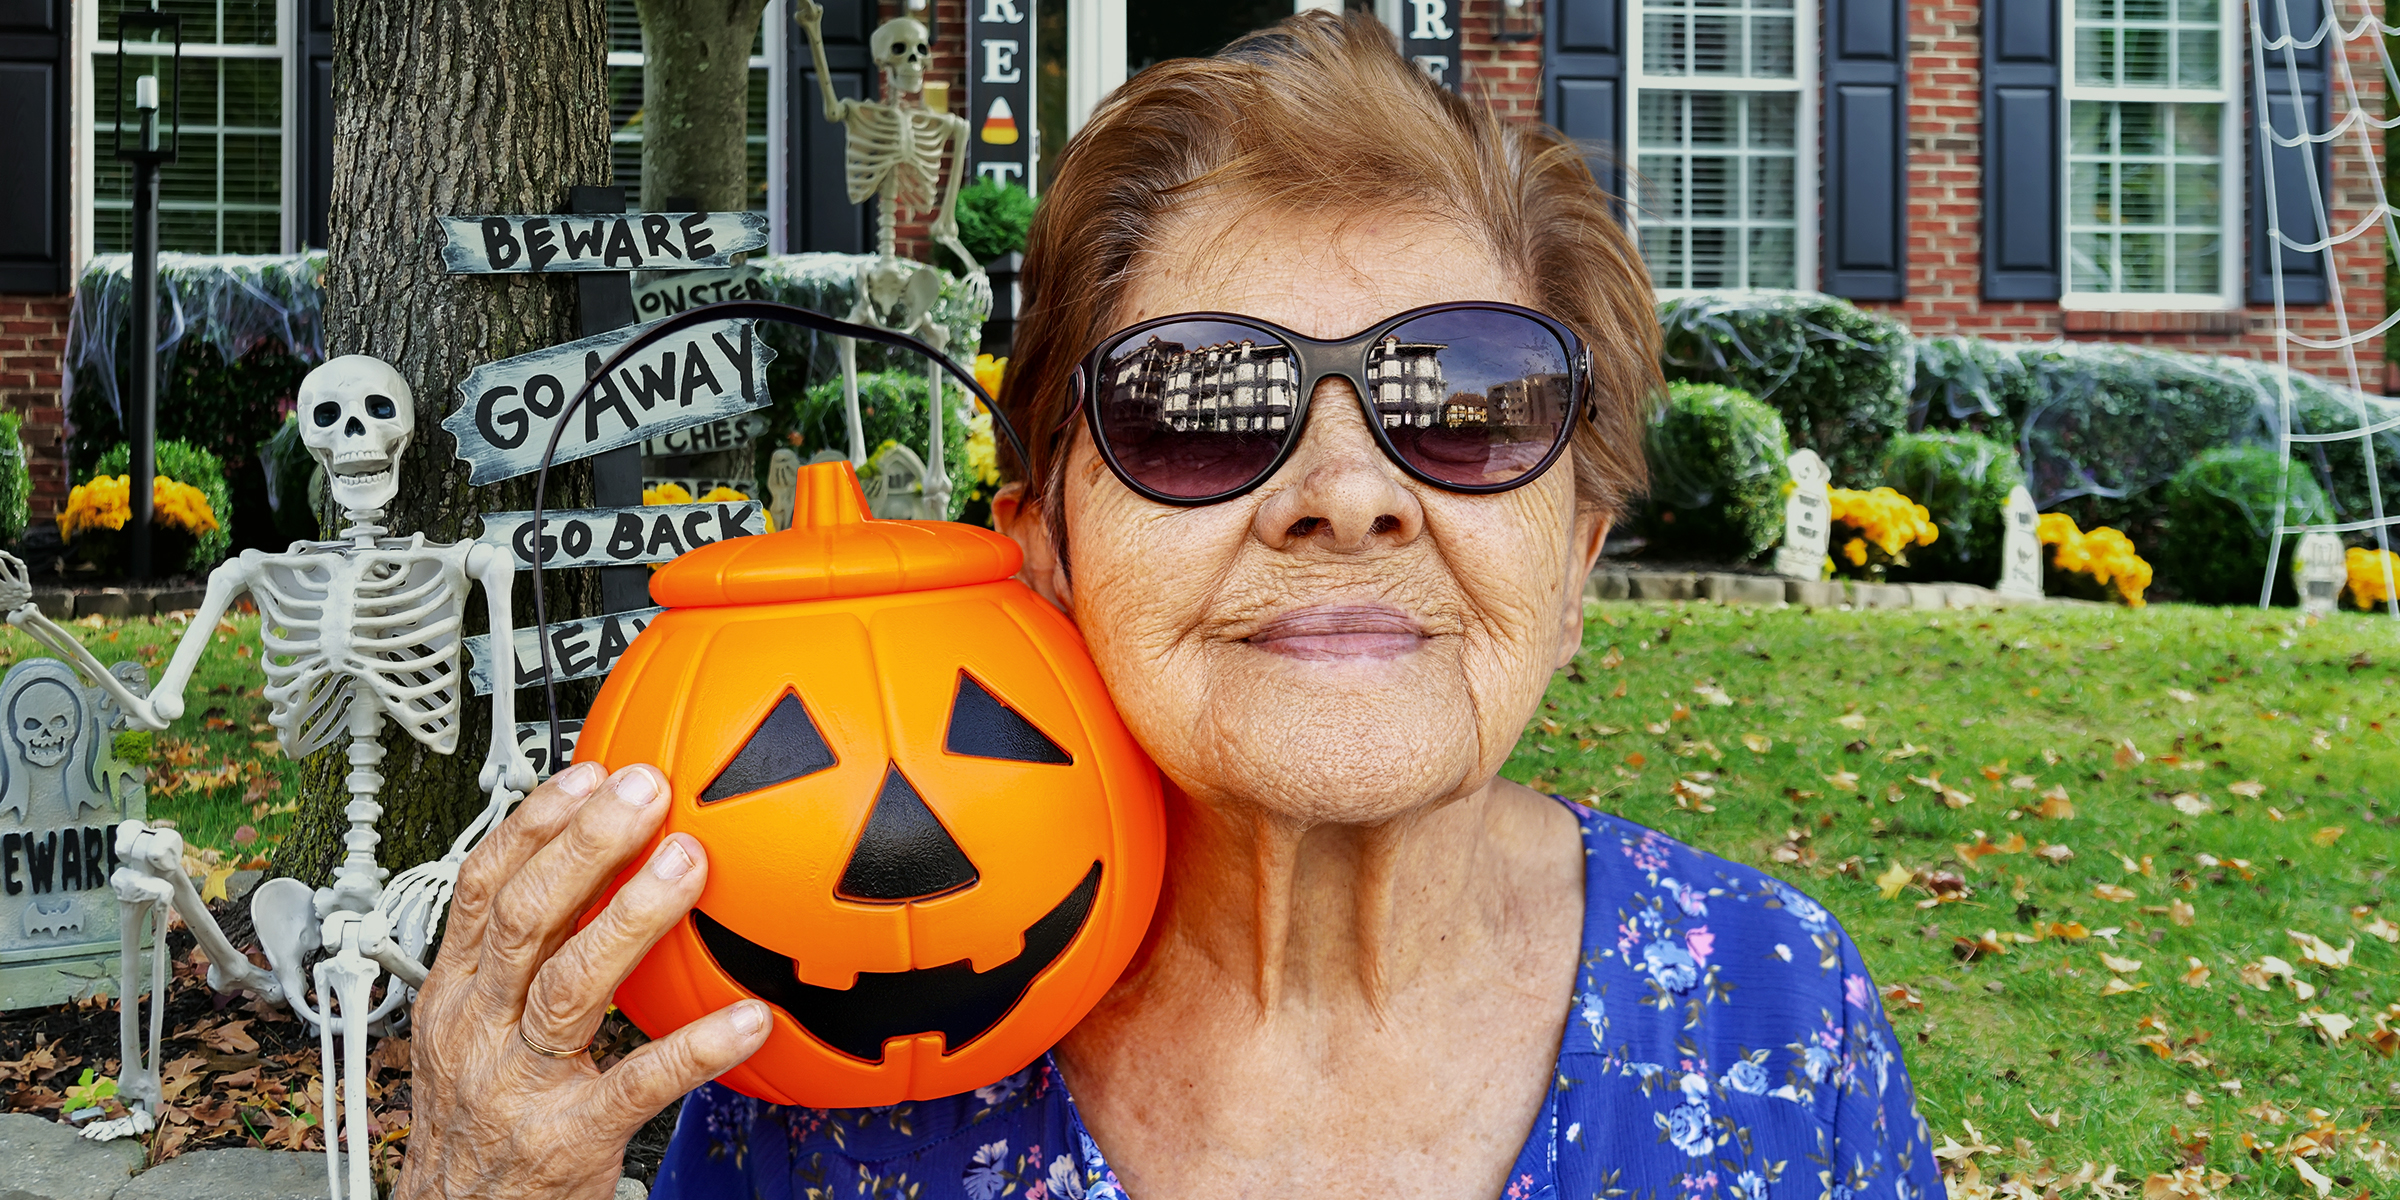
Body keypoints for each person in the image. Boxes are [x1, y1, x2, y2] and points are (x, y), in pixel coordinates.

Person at [395, 13, 1942, 1200]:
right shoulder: (837, 1038)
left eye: (1467, 400)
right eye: (1198, 404)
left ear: (1577, 560)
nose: (1347, 488)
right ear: (1044, 551)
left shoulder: (1765, 1013)